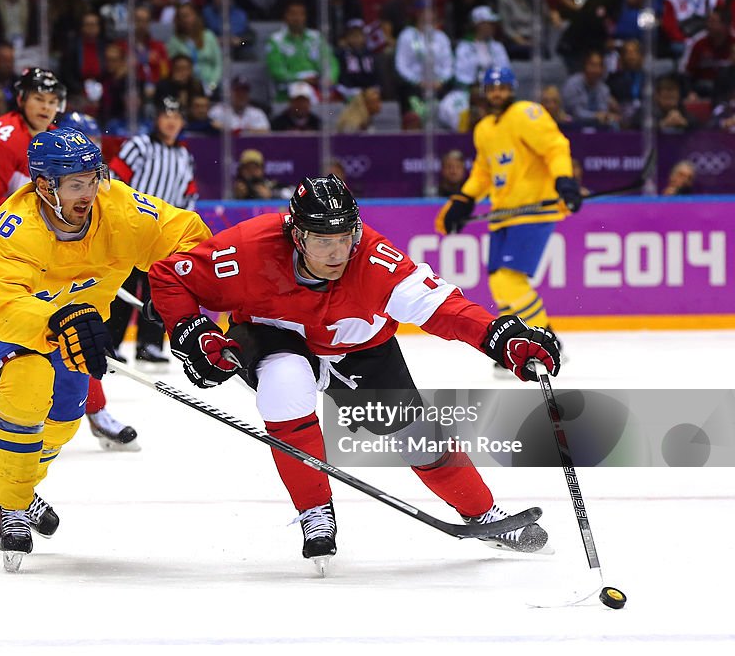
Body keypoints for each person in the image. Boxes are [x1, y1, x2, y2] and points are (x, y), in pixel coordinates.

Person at [147, 174, 558, 570]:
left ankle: (484, 514)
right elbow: (169, 276)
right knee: (285, 383)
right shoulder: (249, 249)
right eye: (323, 241)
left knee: (417, 438)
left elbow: (442, 308)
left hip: (361, 350)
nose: (336, 253)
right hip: (271, 338)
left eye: (344, 238)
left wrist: (499, 338)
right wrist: (189, 329)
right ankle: (314, 511)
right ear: (297, 234)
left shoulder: (375, 260)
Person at [0, 128, 211, 570]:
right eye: (76, 184)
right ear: (43, 186)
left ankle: (17, 481)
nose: (89, 192)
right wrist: (59, 319)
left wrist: (177, 288)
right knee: (28, 381)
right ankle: (12, 506)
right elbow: (7, 307)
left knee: (68, 411)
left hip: (76, 317)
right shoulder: (13, 232)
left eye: (93, 179)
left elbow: (187, 237)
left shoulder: (121, 207)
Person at [0, 68, 139, 451]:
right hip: (5, 251)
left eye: (52, 101)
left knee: (77, 329)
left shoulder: (66, 144)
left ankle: (94, 412)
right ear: (21, 100)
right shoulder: (5, 135)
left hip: (53, 249)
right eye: (38, 99)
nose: (46, 108)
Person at [435, 67, 580, 370]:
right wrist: (464, 199)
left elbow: (555, 147)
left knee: (508, 280)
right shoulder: (484, 128)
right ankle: (520, 341)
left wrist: (564, 179)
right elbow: (483, 172)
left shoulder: (528, 113)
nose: (497, 93)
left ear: (512, 89)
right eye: (491, 88)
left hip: (533, 209)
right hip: (502, 215)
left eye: (502, 87)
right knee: (499, 286)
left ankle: (546, 340)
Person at [106, 95, 197, 366]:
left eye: (176, 116)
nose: (171, 122)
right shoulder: (139, 146)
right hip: (130, 228)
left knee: (159, 290)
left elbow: (188, 194)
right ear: (156, 118)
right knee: (122, 286)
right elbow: (112, 180)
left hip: (164, 234)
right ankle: (111, 342)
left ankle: (150, 344)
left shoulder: (183, 154)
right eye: (166, 115)